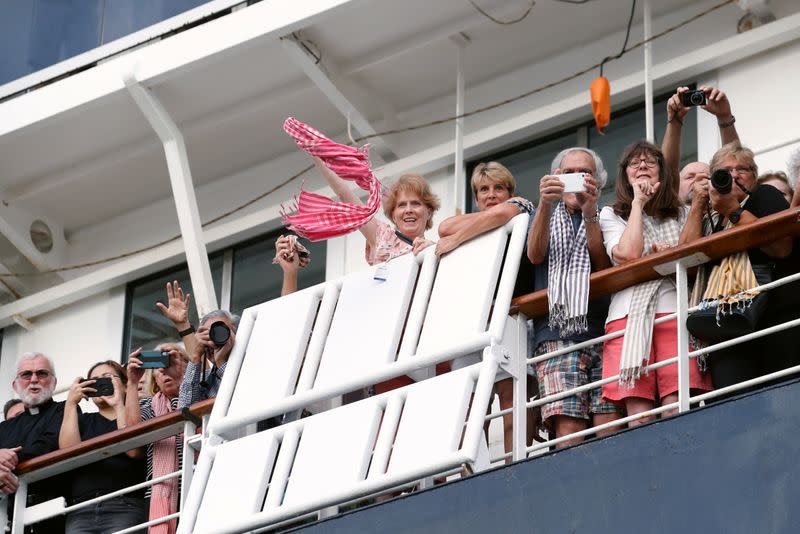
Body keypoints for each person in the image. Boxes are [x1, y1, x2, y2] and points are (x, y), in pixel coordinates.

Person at [600, 141, 713, 426]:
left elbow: (694, 260)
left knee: (676, 405)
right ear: (625, 174)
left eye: (650, 162)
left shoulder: (683, 212)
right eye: (634, 163)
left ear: (663, 173)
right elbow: (627, 255)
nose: (642, 166)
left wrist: (669, 257)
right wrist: (638, 203)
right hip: (628, 316)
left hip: (675, 309)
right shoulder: (611, 214)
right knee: (638, 414)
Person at [436, 161, 539, 453]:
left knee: (511, 396)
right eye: (484, 189)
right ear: (476, 196)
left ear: (510, 190)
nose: (491, 194)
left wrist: (457, 238)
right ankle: (469, 472)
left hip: (512, 315)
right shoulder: (479, 225)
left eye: (498, 188)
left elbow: (505, 212)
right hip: (476, 321)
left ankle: (514, 466)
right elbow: (444, 226)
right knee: (472, 402)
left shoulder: (521, 206)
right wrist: (458, 232)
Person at [525, 148, 624, 446]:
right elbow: (535, 253)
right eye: (567, 173)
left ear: (597, 181)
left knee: (610, 425)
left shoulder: (605, 215)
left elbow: (602, 264)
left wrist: (589, 211)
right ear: (556, 178)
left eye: (584, 173)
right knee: (568, 429)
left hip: (601, 333)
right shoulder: (542, 216)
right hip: (555, 335)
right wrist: (544, 203)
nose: (575, 179)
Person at [681, 141, 797, 390]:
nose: (733, 175)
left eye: (741, 169)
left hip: (774, 317)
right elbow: (687, 263)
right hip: (726, 323)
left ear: (753, 177)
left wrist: (734, 211)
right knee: (735, 399)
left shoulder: (764, 196)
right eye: (725, 171)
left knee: (783, 392)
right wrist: (698, 206)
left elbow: (782, 247)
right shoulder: (708, 215)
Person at [59, 360, 146, 533]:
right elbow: (68, 454)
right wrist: (71, 403)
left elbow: (134, 450)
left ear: (123, 383)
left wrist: (119, 404)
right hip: (81, 509)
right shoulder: (83, 421)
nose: (101, 383)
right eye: (94, 381)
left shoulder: (137, 414)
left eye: (108, 378)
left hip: (125, 505)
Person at [0, 352, 66, 533]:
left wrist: (8, 458)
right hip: (8, 519)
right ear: (15, 385)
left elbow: (49, 445)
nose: (34, 379)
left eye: (42, 373)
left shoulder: (66, 410)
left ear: (54, 382)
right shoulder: (4, 428)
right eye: (26, 374)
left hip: (52, 516)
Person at [126, 344, 188, 534]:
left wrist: (187, 375)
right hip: (160, 491)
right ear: (154, 379)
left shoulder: (198, 391)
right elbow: (132, 434)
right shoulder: (150, 404)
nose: (163, 370)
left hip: (198, 477)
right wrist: (132, 382)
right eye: (158, 368)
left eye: (169, 362)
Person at [153, 280, 239, 407]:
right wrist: (195, 357)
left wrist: (222, 363)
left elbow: (242, 394)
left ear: (236, 334)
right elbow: (185, 408)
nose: (215, 339)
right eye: (209, 334)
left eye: (221, 331)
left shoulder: (252, 364)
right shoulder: (206, 379)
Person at [662, 86, 739, 204]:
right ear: (677, 187)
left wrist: (724, 117)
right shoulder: (672, 218)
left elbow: (735, 162)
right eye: (689, 177)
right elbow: (668, 171)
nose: (698, 179)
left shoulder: (725, 211)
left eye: (707, 176)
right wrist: (675, 121)